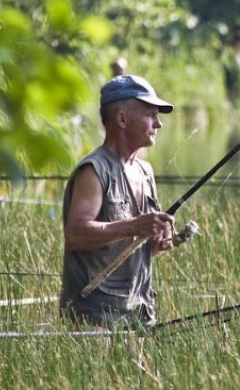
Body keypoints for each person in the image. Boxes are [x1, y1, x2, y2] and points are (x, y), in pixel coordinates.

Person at [59, 75, 176, 328]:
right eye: (150, 114)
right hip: (96, 317)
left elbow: (141, 244)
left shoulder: (145, 171)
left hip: (141, 311)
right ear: (122, 120)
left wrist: (157, 240)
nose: (158, 124)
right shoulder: (94, 170)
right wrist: (135, 226)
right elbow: (76, 235)